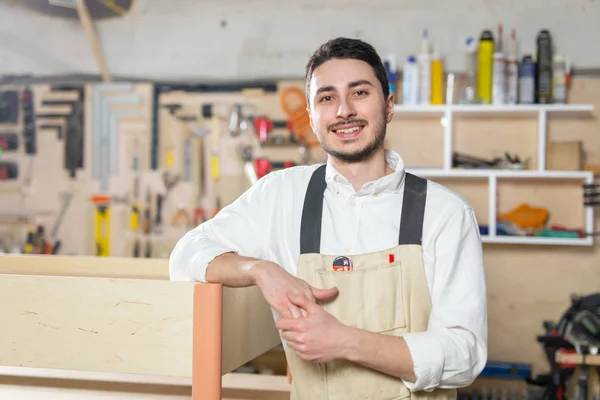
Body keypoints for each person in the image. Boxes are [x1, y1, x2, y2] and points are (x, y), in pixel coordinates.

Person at [169, 37, 487, 399]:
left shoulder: (445, 213)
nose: (344, 111)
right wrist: (260, 270)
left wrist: (345, 342)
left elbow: (465, 355)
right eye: (327, 97)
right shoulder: (281, 195)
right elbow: (186, 254)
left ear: (389, 105)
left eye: (360, 93)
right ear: (311, 115)